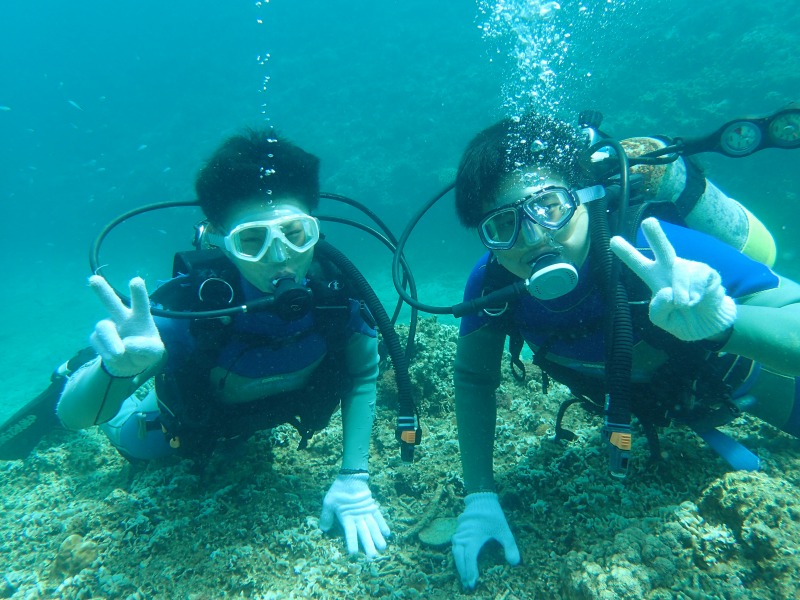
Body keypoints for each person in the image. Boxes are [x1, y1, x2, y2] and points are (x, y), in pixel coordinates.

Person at [449, 113, 800, 590]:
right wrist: (479, 496)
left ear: (588, 196)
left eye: (549, 206)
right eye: (503, 224)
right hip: (652, 406)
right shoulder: (492, 284)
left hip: (745, 380)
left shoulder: (655, 249)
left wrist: (724, 323)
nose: (533, 238)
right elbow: (473, 379)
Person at [55, 129, 392, 558]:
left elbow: (363, 375)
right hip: (200, 422)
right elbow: (75, 418)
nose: (280, 257)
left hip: (262, 412)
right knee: (134, 442)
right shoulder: (189, 315)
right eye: (251, 240)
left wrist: (354, 478)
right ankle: (76, 368)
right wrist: (113, 372)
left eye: (295, 234)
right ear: (220, 239)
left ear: (315, 228)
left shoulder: (338, 299)